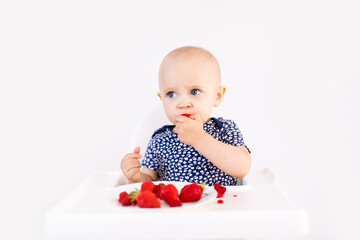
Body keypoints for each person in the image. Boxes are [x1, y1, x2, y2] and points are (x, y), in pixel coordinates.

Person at [120, 46, 251, 186]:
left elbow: (243, 167)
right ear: (162, 99)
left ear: (217, 96)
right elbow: (149, 180)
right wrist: (136, 177)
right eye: (171, 94)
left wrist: (200, 139)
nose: (182, 103)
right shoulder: (160, 139)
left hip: (220, 206)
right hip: (175, 206)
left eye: (194, 91)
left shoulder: (224, 129)